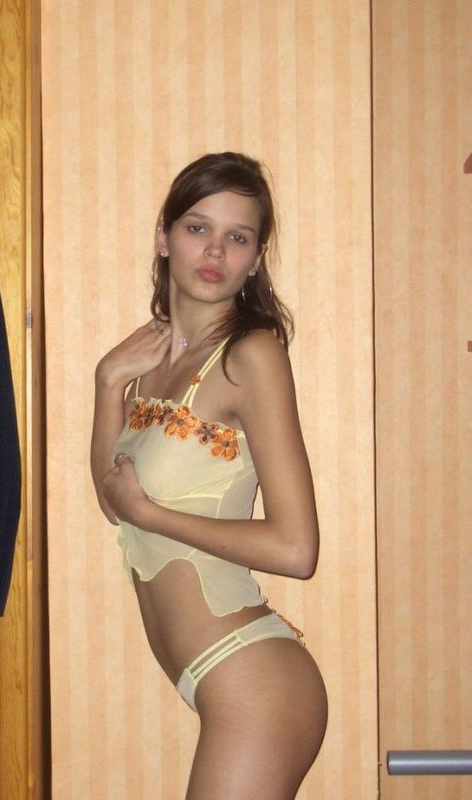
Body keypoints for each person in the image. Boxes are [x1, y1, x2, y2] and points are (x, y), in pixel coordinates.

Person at [91, 152, 327, 799]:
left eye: (237, 236)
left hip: (254, 680)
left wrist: (153, 514)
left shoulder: (250, 355)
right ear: (164, 237)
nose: (215, 250)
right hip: (214, 678)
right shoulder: (152, 359)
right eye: (198, 228)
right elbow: (114, 500)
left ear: (256, 259)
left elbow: (296, 549)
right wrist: (107, 383)